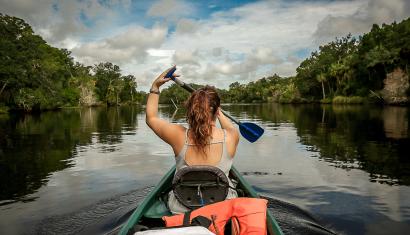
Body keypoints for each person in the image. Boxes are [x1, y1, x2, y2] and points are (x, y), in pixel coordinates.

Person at [146, 67, 240, 214]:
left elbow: (151, 118)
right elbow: (229, 127)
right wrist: (219, 113)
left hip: (181, 209)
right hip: (222, 209)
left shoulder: (177, 135)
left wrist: (155, 87)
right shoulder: (231, 136)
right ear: (216, 110)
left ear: (190, 110)